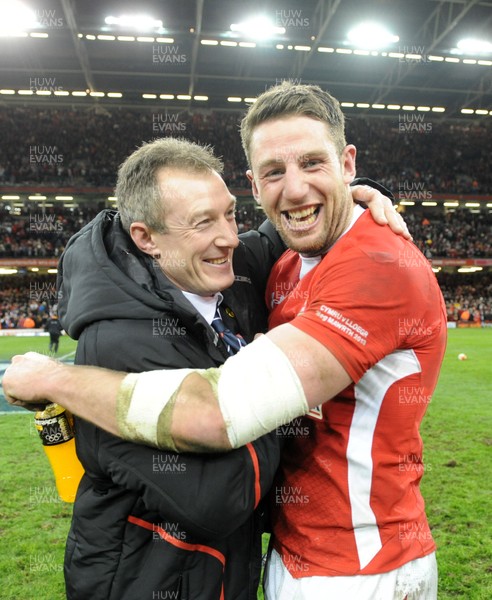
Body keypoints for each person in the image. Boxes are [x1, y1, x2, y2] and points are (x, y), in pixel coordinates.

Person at [2, 83, 438, 599]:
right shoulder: (140, 328)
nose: (229, 238)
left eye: (228, 215)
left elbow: (217, 411)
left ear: (346, 163)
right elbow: (217, 489)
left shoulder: (365, 266)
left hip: (360, 567)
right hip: (164, 572)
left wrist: (55, 376)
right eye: (275, 172)